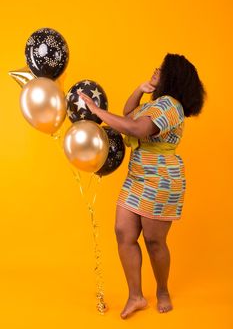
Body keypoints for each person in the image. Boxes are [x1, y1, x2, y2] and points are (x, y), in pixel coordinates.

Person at [78, 53, 206, 319]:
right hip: (137, 176)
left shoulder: (171, 106)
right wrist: (140, 88)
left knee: (154, 241)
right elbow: (128, 113)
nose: (156, 69)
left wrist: (98, 112)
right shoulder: (155, 103)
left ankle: (162, 290)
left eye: (162, 69)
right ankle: (135, 296)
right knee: (123, 232)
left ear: (172, 77)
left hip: (160, 181)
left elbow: (135, 129)